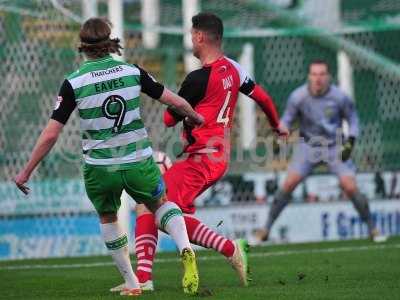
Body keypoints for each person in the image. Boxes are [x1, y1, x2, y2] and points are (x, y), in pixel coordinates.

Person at [13, 17, 204, 296]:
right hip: (137, 159)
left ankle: (131, 282)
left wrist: (26, 171)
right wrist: (195, 116)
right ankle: (186, 248)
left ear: (82, 46)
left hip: (100, 167)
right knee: (160, 204)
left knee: (107, 217)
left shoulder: (74, 83)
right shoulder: (132, 71)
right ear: (109, 41)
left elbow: (51, 134)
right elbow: (173, 100)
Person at [112, 12, 288, 292]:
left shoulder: (197, 79)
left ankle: (147, 277)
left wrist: (167, 95)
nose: (190, 40)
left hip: (202, 158)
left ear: (200, 37)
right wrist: (277, 126)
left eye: (192, 35)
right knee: (167, 211)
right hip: (216, 157)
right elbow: (263, 98)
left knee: (151, 203)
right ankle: (153, 274)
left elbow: (170, 120)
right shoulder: (233, 69)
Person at [255, 59, 384, 243]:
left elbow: (353, 119)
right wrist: (279, 136)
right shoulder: (298, 97)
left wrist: (351, 141)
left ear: (328, 77)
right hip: (308, 146)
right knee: (288, 183)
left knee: (350, 186)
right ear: (309, 76)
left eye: (322, 74)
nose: (318, 78)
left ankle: (373, 229)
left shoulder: (340, 97)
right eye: (314, 74)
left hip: (334, 146)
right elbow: (287, 120)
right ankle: (265, 229)